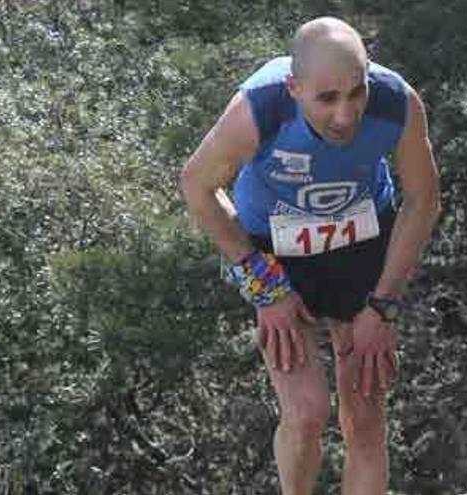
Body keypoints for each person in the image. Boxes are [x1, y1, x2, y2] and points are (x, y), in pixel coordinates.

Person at [180, 16, 440, 495]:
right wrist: (263, 284)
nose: (345, 115)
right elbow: (197, 186)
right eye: (326, 99)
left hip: (360, 245)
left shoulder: (396, 102)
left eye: (356, 93)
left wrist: (382, 306)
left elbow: (424, 200)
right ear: (294, 87)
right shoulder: (258, 108)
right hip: (277, 256)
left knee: (365, 415)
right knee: (306, 412)